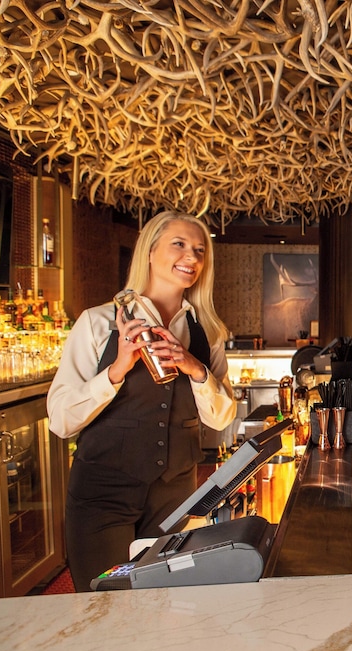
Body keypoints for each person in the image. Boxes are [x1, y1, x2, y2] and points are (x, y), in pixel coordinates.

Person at [47, 211, 236, 591]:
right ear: (149, 251)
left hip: (174, 496)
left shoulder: (207, 332)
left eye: (200, 250)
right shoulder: (98, 322)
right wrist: (117, 369)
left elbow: (221, 418)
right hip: (103, 493)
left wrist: (194, 368)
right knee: (104, 603)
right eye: (179, 244)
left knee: (166, 604)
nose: (192, 257)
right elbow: (61, 419)